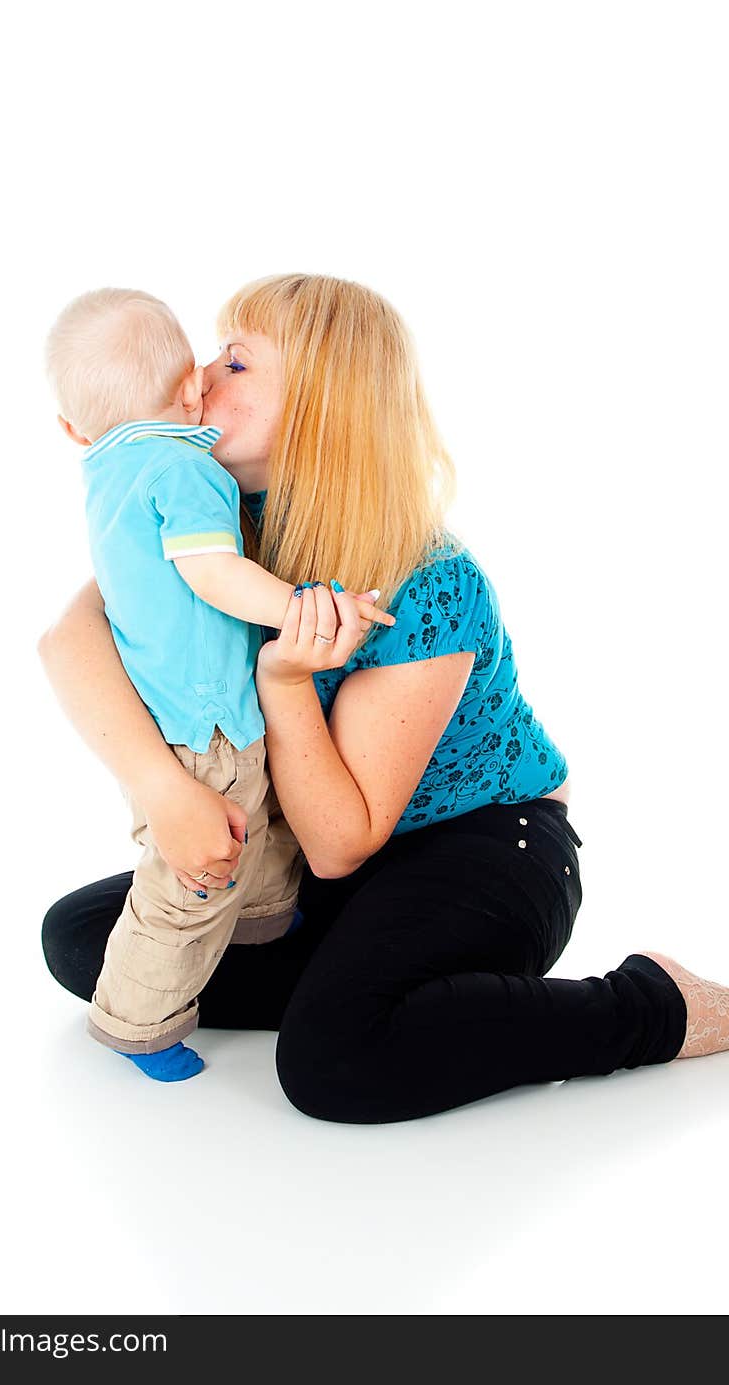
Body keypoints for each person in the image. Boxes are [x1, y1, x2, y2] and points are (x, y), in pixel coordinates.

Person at [39, 272, 729, 1123]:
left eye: (237, 361)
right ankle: (393, 989)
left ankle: (655, 1004)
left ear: (321, 407)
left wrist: (284, 679)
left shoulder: (431, 577)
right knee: (84, 940)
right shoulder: (211, 519)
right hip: (312, 856)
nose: (199, 376)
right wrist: (165, 791)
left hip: (482, 845)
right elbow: (68, 640)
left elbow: (340, 843)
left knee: (333, 1064)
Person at [43, 287, 395, 1082]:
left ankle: (265, 925)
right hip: (208, 727)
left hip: (175, 717)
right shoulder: (185, 471)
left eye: (234, 360)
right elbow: (212, 573)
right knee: (191, 887)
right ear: (183, 397)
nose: (209, 371)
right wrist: (305, 608)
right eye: (211, 360)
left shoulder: (109, 471)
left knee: (261, 833)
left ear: (71, 426)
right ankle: (138, 1025)